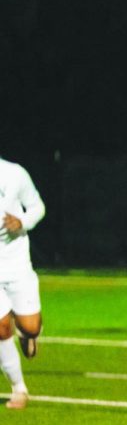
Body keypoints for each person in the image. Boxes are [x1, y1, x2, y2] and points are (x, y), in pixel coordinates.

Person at [0, 157, 46, 411]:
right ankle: (19, 388)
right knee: (0, 327)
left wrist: (22, 222)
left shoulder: (14, 174)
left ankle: (27, 332)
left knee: (30, 325)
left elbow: (38, 207)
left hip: (17, 265)